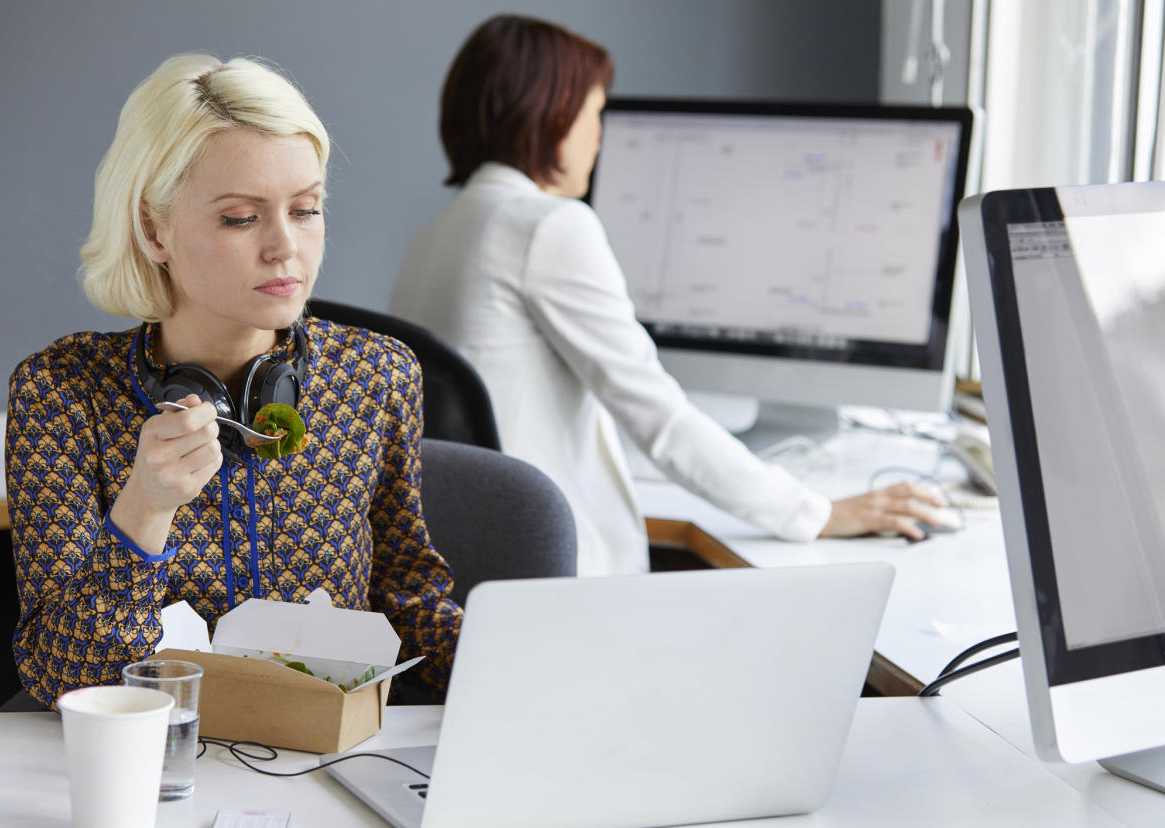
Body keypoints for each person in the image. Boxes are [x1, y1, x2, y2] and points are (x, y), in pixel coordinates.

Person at [390, 15, 948, 576]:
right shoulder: (549, 226)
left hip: (475, 564)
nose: (599, 136)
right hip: (557, 573)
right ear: (551, 115)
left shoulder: (436, 232)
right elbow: (660, 418)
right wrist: (815, 512)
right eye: (595, 114)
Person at [6, 53, 461, 708]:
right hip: (156, 767)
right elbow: (64, 680)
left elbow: (414, 606)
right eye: (241, 218)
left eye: (306, 210)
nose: (285, 248)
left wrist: (519, 670)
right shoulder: (62, 392)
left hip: (325, 762)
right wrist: (145, 507)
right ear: (153, 229)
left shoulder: (376, 375)